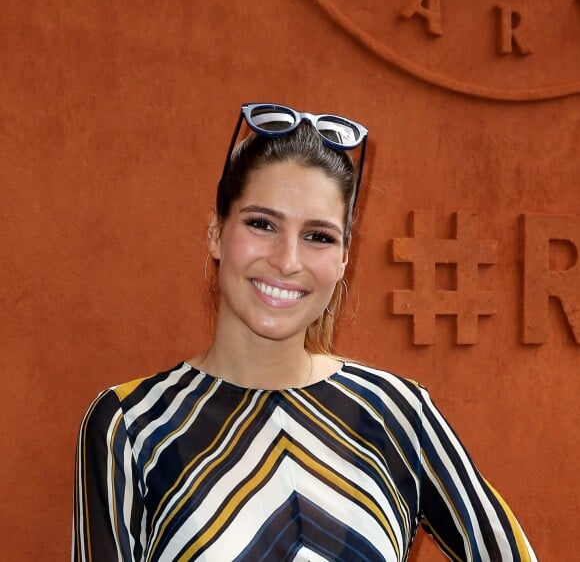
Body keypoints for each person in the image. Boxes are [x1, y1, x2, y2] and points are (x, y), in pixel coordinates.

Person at [72, 103, 536, 561]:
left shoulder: (398, 415)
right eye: (262, 223)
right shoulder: (131, 425)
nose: (287, 261)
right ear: (217, 232)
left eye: (318, 236)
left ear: (344, 259)